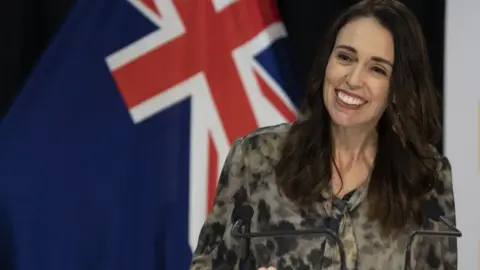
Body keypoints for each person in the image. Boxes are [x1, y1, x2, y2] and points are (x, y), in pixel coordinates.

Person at [190, 0, 457, 269]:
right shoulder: (255, 158)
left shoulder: (426, 177)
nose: (352, 79)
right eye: (345, 57)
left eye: (377, 69)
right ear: (326, 62)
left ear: (397, 87)